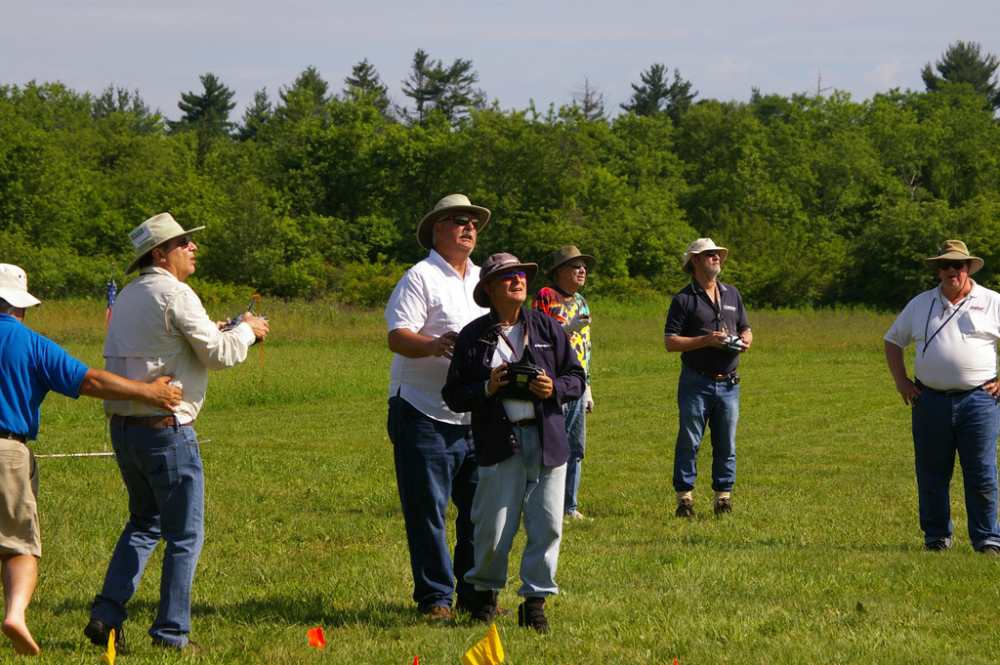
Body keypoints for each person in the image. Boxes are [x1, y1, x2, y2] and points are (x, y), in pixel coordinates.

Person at [85, 213, 269, 652]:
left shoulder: (129, 295)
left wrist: (227, 330)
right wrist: (247, 329)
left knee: (144, 524)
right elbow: (221, 354)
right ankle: (170, 635)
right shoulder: (177, 293)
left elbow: (173, 346)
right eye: (183, 242)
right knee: (184, 535)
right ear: (160, 254)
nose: (193, 248)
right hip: (166, 431)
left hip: (125, 429)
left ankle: (106, 615)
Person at [0, 263, 181, 657]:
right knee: (18, 547)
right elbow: (92, 381)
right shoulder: (30, 343)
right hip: (7, 452)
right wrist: (148, 394)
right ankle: (15, 613)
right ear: (20, 306)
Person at [443, 253, 586, 633]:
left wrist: (553, 387)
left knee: (548, 524)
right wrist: (487, 387)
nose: (517, 281)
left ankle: (535, 603)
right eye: (507, 277)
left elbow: (576, 377)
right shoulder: (474, 335)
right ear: (489, 288)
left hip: (548, 439)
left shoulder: (548, 328)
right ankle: (485, 599)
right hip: (499, 440)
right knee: (493, 526)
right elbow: (454, 394)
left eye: (521, 275)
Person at [384, 194, 491, 622]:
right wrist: (435, 344)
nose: (469, 228)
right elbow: (397, 336)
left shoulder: (485, 279)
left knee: (479, 513)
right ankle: (435, 600)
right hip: (422, 412)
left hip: (475, 414)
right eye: (459, 221)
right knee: (428, 513)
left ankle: (472, 594)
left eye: (473, 222)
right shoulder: (420, 277)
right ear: (437, 231)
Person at [884, 240, 1000, 555]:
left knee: (982, 473)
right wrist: (901, 381)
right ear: (937, 268)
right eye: (945, 265)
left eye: (957, 265)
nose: (952, 270)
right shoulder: (920, 304)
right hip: (929, 401)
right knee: (932, 473)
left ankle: (987, 539)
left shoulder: (992, 301)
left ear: (968, 268)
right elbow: (893, 341)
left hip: (980, 401)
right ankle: (936, 537)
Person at [664, 238, 752, 519]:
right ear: (695, 261)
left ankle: (722, 500)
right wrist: (705, 340)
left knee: (726, 443)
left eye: (718, 254)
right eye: (710, 254)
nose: (717, 258)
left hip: (730, 382)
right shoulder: (683, 299)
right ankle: (684, 501)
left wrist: (745, 340)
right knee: (689, 442)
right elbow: (670, 342)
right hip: (695, 381)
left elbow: (746, 328)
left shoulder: (732, 294)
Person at [532, 246, 596, 521]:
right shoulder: (545, 296)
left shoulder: (582, 301)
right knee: (547, 442)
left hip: (577, 383)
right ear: (560, 271)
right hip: (552, 380)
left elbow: (586, 347)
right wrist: (566, 328)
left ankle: (569, 507)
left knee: (575, 446)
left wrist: (589, 384)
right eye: (575, 266)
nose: (582, 271)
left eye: (583, 266)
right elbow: (537, 333)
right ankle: (541, 502)